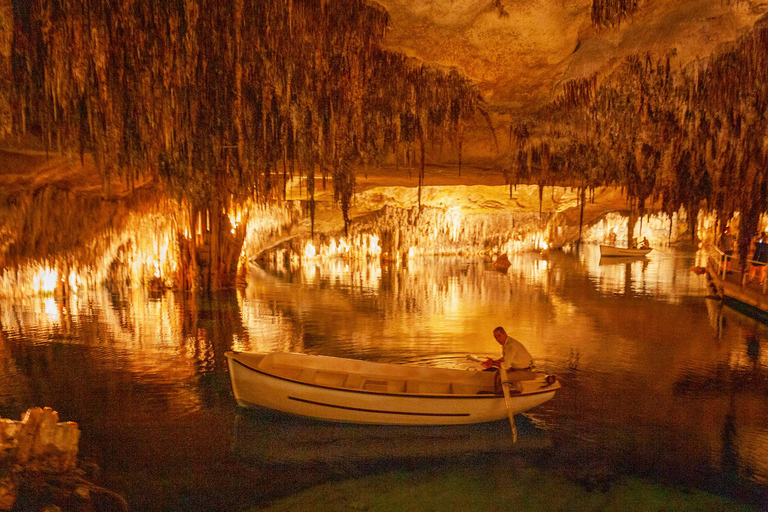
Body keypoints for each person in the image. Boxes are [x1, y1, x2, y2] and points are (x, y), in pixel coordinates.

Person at [482, 327, 536, 392]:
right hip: (518, 369)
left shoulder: (511, 345)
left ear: (505, 334)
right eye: (496, 338)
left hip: (528, 372)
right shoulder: (507, 343)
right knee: (497, 373)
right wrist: (493, 361)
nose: (498, 339)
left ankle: (499, 395)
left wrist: (492, 363)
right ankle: (498, 392)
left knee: (502, 377)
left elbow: (505, 365)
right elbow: (506, 358)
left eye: (499, 336)